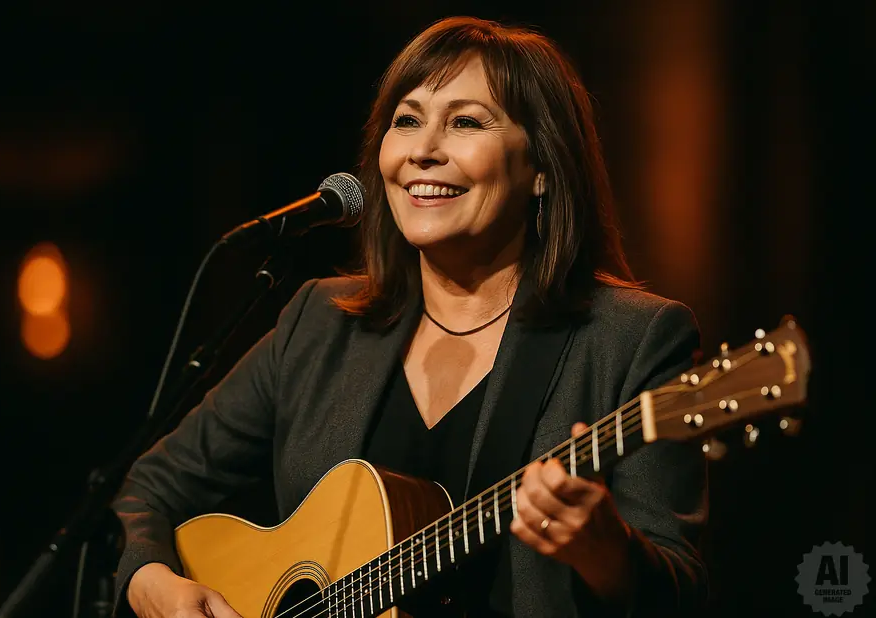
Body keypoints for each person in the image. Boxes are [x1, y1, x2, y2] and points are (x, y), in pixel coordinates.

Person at [112, 16, 709, 618]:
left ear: (543, 169)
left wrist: (606, 551)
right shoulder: (319, 324)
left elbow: (681, 591)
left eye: (466, 122)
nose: (423, 151)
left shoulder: (632, 339)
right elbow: (148, 490)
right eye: (407, 120)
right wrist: (151, 583)